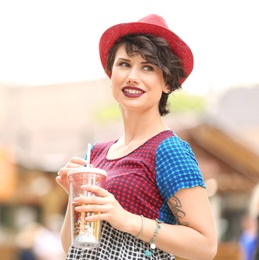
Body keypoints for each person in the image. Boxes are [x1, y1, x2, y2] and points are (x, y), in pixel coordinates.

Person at [56, 14, 217, 259]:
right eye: (124, 64)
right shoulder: (96, 154)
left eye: (148, 67)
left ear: (167, 83)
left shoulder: (169, 150)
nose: (132, 76)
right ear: (111, 75)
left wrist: (127, 220)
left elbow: (206, 246)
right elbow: (74, 248)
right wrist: (75, 194)